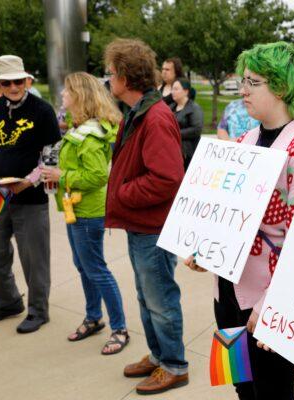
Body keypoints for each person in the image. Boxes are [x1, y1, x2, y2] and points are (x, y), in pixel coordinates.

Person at [186, 41, 294, 400]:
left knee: (272, 390)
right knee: (241, 383)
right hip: (228, 292)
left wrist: (274, 301)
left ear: (282, 86)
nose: (243, 89)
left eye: (253, 82)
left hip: (268, 297)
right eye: (243, 80)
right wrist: (205, 247)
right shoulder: (246, 138)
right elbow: (226, 211)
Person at [104, 38, 188, 394]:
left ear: (125, 76)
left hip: (152, 227)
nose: (108, 80)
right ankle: (158, 356)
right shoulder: (140, 112)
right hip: (142, 225)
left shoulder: (154, 117)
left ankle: (174, 365)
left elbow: (167, 178)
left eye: (110, 73)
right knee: (146, 296)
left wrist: (122, 194)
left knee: (160, 298)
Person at [40, 72, 129, 355]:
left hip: (88, 212)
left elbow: (97, 176)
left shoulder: (90, 135)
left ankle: (119, 328)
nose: (63, 96)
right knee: (84, 266)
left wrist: (60, 174)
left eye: (67, 92)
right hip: (74, 208)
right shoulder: (83, 128)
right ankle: (94, 317)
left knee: (97, 269)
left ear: (80, 97)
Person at [0, 55, 60, 334]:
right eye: (7, 82)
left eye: (18, 81)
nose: (14, 87)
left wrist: (29, 182)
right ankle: (7, 302)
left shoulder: (42, 110)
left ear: (27, 81)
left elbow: (51, 157)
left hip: (30, 198)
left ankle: (38, 310)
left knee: (34, 258)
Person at [170, 78, 203, 169]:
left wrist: (175, 134)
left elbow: (196, 129)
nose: (173, 92)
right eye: (172, 89)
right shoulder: (171, 108)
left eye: (176, 89)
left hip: (188, 153)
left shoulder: (194, 108)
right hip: (172, 151)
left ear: (186, 91)